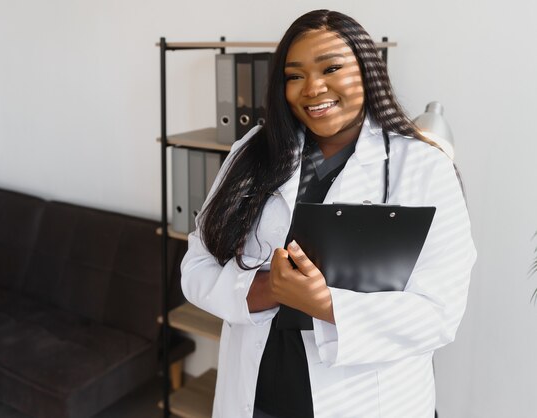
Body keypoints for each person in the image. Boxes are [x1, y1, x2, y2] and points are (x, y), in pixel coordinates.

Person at [181, 9, 476, 418]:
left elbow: (440, 313)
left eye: (332, 68)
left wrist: (326, 304)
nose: (313, 88)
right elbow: (196, 266)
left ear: (368, 72)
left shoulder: (425, 166)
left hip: (368, 400)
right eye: (294, 75)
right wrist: (267, 288)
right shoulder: (252, 153)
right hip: (256, 391)